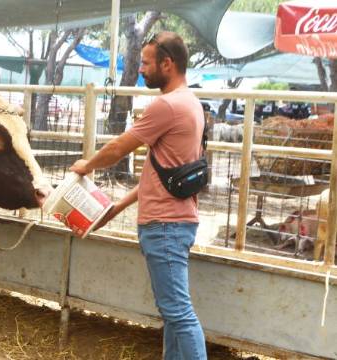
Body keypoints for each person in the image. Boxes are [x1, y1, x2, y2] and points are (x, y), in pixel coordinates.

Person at [70, 31, 207, 359]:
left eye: (146, 63)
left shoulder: (167, 105)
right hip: (174, 222)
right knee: (173, 315)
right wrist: (116, 207)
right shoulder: (192, 102)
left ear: (168, 64)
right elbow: (160, 174)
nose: (141, 68)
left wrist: (85, 166)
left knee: (179, 313)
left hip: (165, 226)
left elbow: (118, 148)